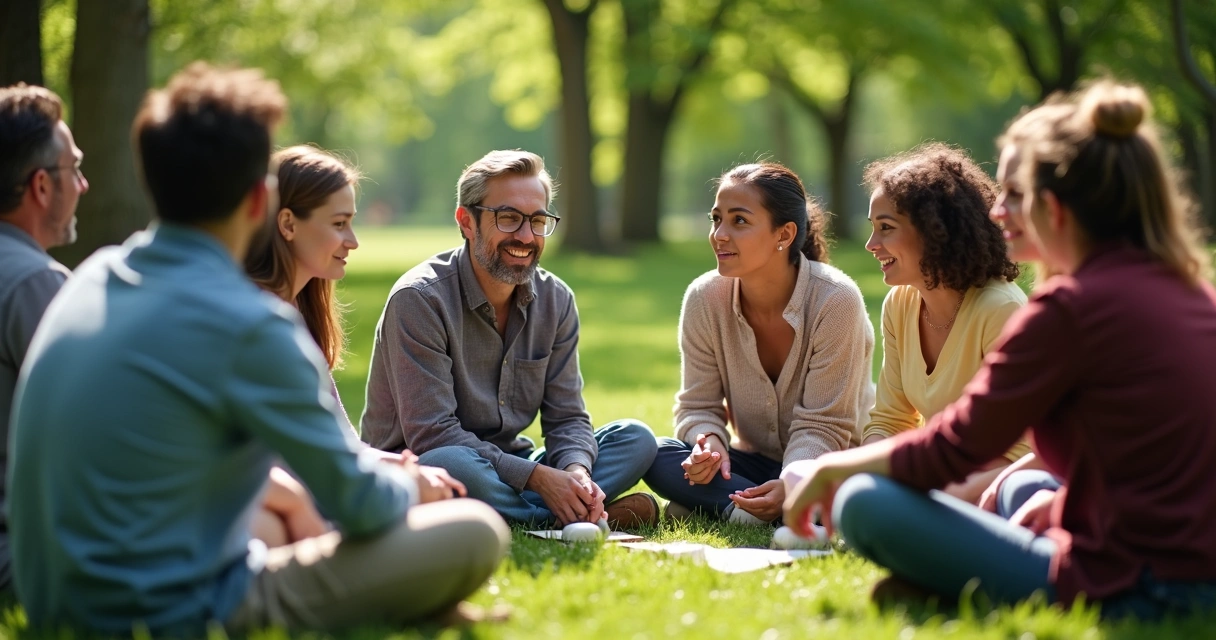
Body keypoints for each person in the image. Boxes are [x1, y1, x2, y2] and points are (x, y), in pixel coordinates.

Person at [8, 63, 508, 634]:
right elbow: (360, 505)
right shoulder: (249, 323)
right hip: (167, 610)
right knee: (475, 532)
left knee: (271, 526)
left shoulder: (94, 278)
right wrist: (413, 485)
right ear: (260, 202)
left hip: (52, 600)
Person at [783, 81, 1216, 620]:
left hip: (1139, 587)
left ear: (1052, 208)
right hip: (1192, 566)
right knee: (1028, 485)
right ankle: (963, 583)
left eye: (1012, 194)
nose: (996, 212)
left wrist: (834, 471)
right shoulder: (1190, 292)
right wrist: (1065, 505)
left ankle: (969, 586)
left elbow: (952, 448)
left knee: (864, 502)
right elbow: (1151, 454)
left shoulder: (1070, 307)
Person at [360, 149, 660, 529]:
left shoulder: (556, 300)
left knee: (636, 439)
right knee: (450, 462)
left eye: (537, 220)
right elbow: (432, 434)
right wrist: (539, 479)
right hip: (423, 470)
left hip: (510, 466)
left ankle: (558, 508)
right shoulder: (419, 299)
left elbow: (567, 417)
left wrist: (576, 473)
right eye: (508, 218)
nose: (526, 236)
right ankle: (553, 519)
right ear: (467, 222)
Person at [643, 163, 874, 524]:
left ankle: (732, 504)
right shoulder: (704, 298)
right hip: (754, 462)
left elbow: (824, 426)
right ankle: (758, 506)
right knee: (654, 454)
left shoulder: (836, 300)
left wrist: (791, 482)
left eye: (739, 221)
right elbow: (697, 405)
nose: (719, 234)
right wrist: (708, 445)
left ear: (784, 234)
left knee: (858, 492)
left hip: (831, 463)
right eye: (716, 219)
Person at [859, 144, 1029, 504]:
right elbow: (890, 420)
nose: (871, 244)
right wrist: (861, 477)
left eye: (886, 228)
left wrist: (932, 493)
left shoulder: (1001, 310)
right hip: (934, 475)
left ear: (935, 231)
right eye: (873, 228)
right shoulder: (900, 304)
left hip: (999, 488)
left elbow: (1021, 451)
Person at [0, 82, 88, 592]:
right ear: (41, 186)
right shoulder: (35, 283)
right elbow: (93, 437)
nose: (84, 184)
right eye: (74, 169)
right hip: (22, 557)